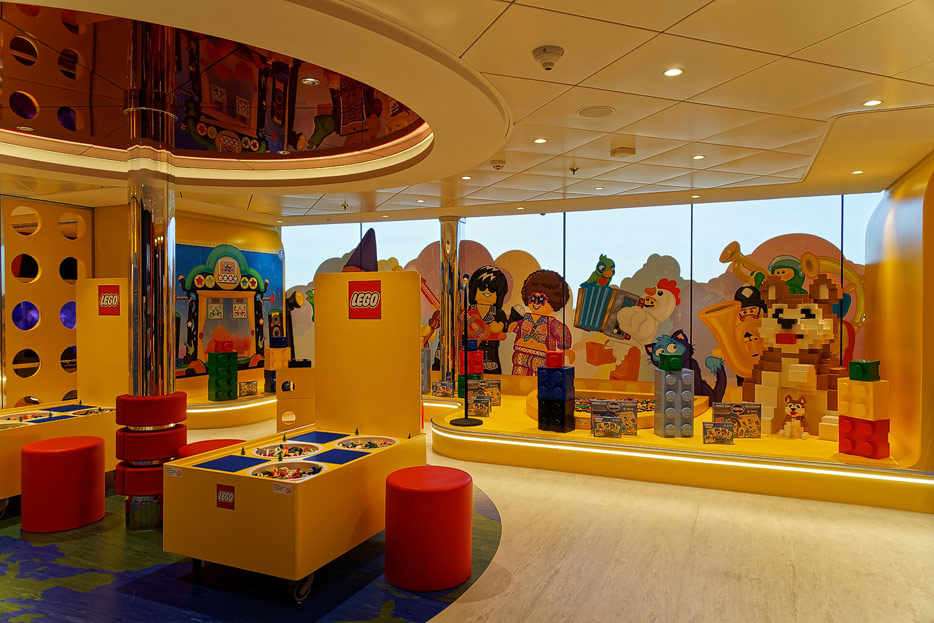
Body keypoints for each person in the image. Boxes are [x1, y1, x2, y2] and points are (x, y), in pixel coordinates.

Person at [509, 269, 572, 376]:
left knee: (544, 381)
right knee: (518, 380)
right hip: (520, 356)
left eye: (541, 300)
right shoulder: (525, 318)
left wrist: (566, 349)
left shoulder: (551, 323)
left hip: (542, 359)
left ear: (554, 301)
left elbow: (562, 332)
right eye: (533, 299)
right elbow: (516, 327)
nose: (536, 303)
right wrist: (512, 324)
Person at [466, 265, 510, 375]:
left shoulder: (498, 313)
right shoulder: (468, 311)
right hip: (469, 355)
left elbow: (505, 326)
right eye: (482, 288)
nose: (486, 292)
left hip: (490, 357)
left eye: (492, 289)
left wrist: (500, 326)